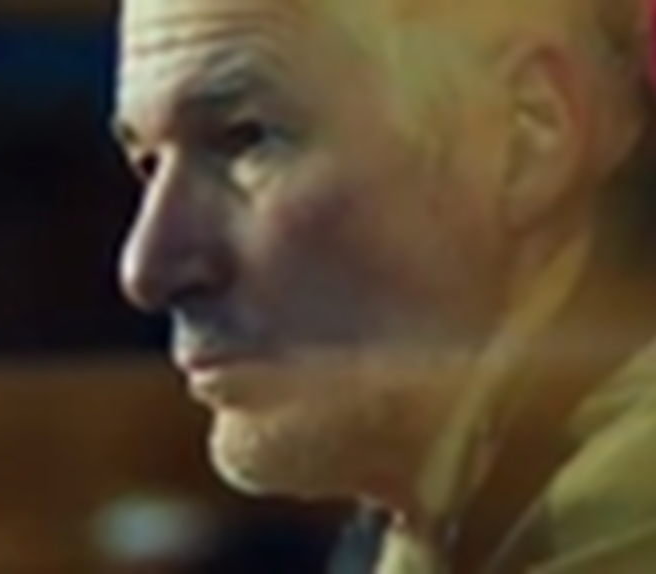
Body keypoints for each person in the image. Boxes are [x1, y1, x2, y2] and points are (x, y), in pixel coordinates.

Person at [111, 0, 656, 571]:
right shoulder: (466, 499)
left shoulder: (625, 508)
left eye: (245, 138)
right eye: (147, 164)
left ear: (526, 133)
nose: (146, 269)